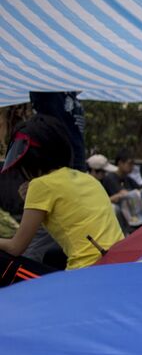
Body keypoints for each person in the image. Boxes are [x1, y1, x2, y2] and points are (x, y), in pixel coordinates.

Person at [0, 114, 124, 272]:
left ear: (29, 161)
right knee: (52, 255)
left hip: (84, 273)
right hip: (118, 264)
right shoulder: (87, 178)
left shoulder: (41, 185)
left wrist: (35, 196)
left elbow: (16, 247)